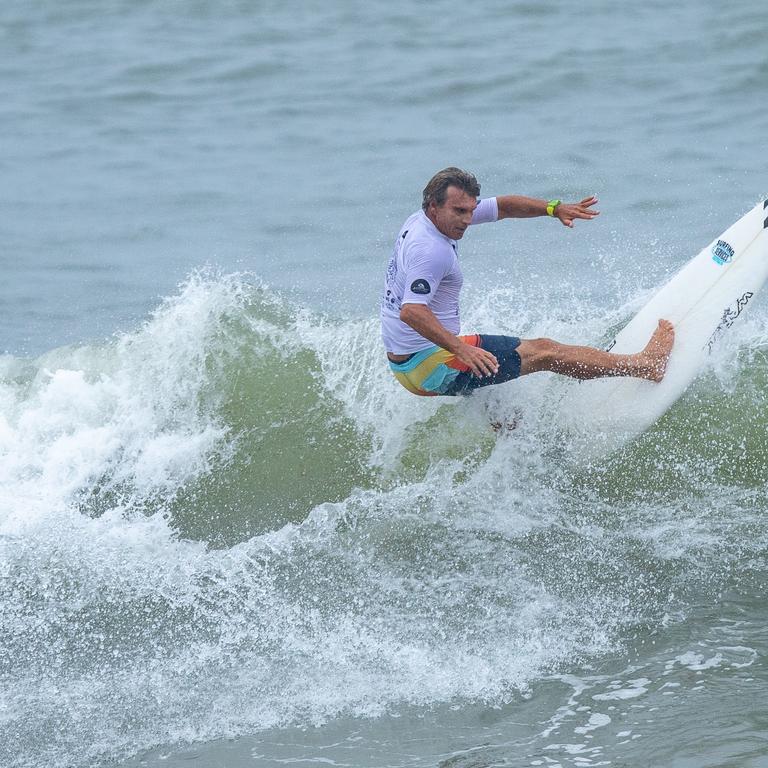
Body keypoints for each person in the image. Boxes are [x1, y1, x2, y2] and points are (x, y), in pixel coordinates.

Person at [380, 167, 674, 397]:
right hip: (434, 365)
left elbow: (503, 207)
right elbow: (412, 311)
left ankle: (523, 452)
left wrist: (553, 208)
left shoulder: (423, 220)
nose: (468, 219)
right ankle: (647, 366)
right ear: (434, 206)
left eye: (471, 210)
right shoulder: (432, 250)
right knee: (545, 351)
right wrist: (462, 350)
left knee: (498, 396)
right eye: (460, 211)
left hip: (407, 364)